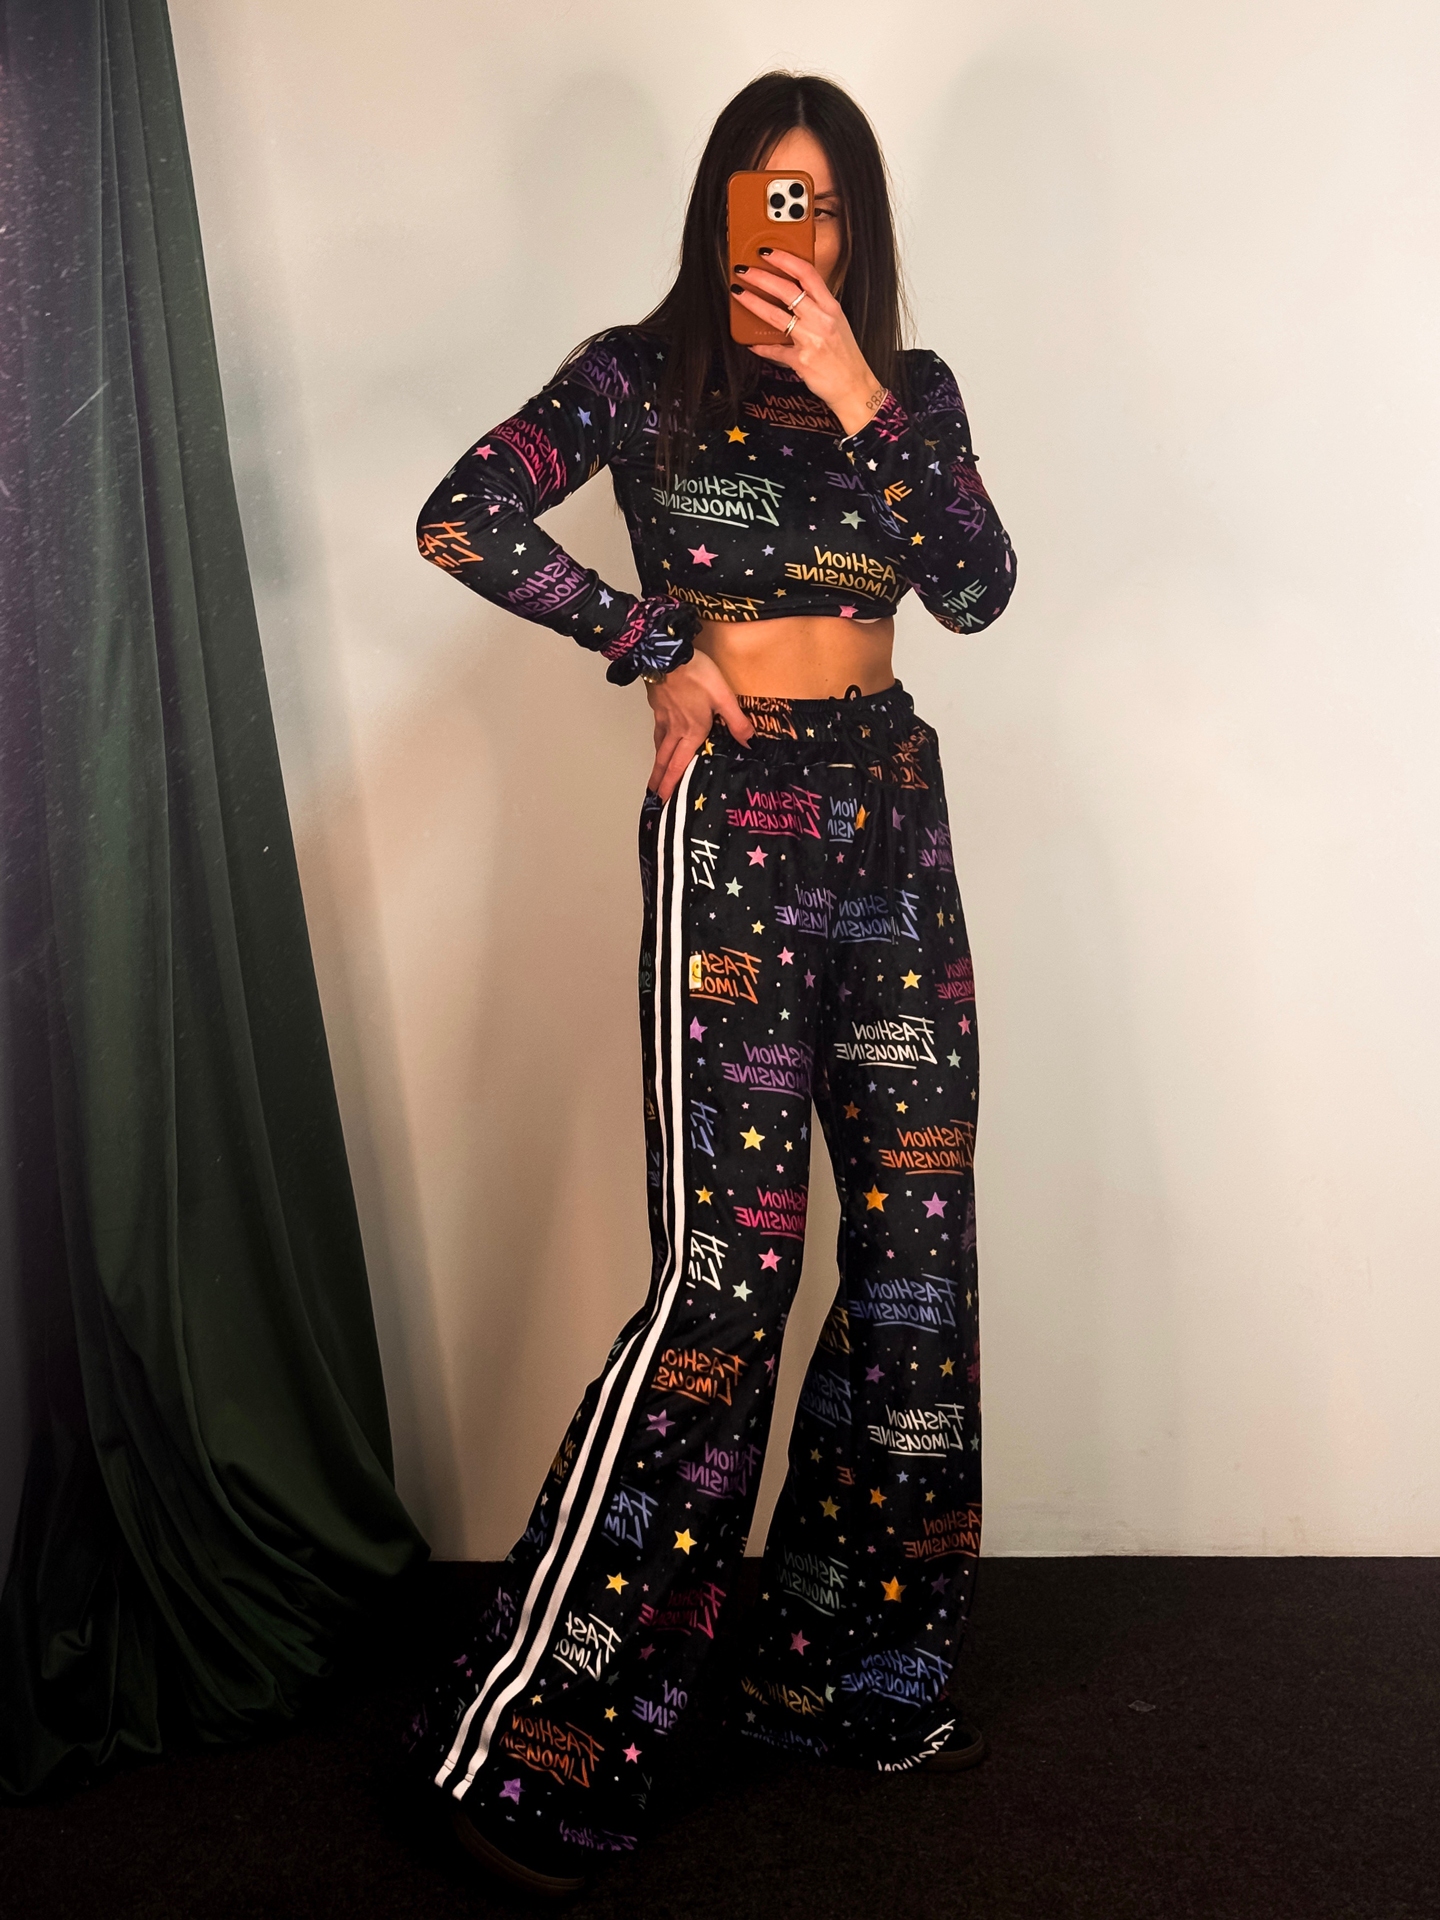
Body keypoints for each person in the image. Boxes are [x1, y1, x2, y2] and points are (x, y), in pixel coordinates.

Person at [405, 70, 1017, 1897]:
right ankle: (547, 1741)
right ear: (720, 209)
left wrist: (855, 387)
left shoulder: (909, 392)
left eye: (822, 204)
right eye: (767, 197)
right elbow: (463, 514)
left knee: (914, 1273)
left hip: (891, 810)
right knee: (729, 1280)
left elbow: (978, 588)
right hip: (736, 819)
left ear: (857, 228)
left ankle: (850, 1676)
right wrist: (649, 641)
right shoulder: (638, 373)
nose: (792, 234)